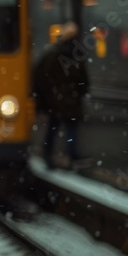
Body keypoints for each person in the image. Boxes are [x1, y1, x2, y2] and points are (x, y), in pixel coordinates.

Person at [32, 21, 90, 168]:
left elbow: (41, 76)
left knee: (54, 127)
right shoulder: (76, 54)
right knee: (71, 128)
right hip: (71, 98)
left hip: (56, 99)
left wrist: (43, 98)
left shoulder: (52, 53)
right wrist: (81, 91)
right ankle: (71, 155)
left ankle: (48, 154)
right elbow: (82, 79)